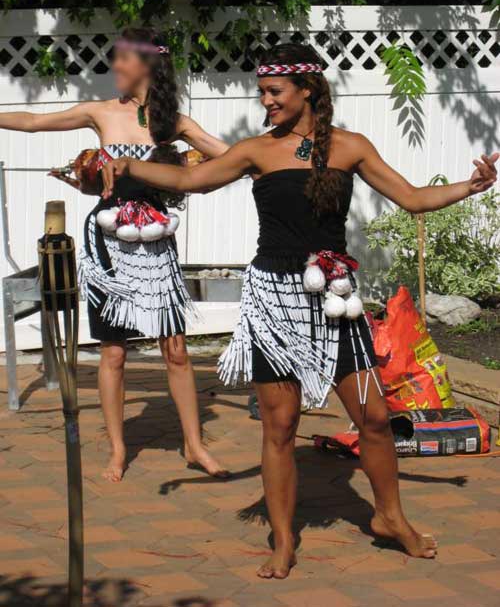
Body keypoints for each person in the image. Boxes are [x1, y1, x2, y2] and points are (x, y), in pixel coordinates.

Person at [101, 43, 497, 576]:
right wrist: (131, 167)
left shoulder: (352, 147)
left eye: (274, 92)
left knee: (376, 420)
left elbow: (413, 198)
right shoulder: (256, 151)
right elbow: (192, 179)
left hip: (335, 301)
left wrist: (470, 186)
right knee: (280, 427)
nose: (265, 101)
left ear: (307, 90)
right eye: (262, 92)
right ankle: (283, 541)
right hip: (274, 302)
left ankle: (390, 518)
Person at [0, 27, 231, 483]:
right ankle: (118, 450)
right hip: (107, 245)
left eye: (122, 59)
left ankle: (195, 444)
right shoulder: (100, 113)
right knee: (113, 353)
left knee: (177, 351)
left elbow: (229, 157)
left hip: (157, 244)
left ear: (146, 64)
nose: (115, 68)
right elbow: (32, 122)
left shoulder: (174, 123)